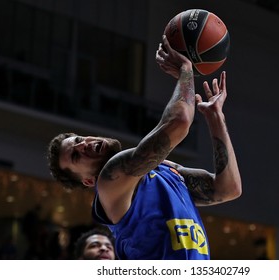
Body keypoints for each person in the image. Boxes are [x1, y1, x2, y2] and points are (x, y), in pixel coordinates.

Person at [47, 35, 242, 259]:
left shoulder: (164, 170)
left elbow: (228, 189)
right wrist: (186, 69)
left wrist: (216, 118)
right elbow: (179, 122)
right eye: (75, 156)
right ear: (89, 181)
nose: (84, 146)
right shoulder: (110, 182)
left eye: (80, 140)